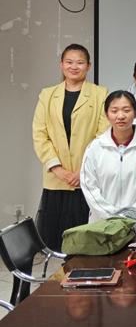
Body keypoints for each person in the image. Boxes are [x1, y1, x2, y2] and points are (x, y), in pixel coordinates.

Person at [32, 44, 110, 251]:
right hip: (56, 179)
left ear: (88, 66)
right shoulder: (47, 95)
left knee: (84, 240)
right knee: (54, 240)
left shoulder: (100, 94)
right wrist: (58, 169)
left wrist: (82, 171)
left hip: (86, 178)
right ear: (61, 64)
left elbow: (102, 136)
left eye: (80, 62)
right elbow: (40, 134)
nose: (74, 66)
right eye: (69, 62)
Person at [80, 91, 136, 221]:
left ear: (135, 113)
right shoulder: (95, 147)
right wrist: (112, 217)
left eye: (126, 110)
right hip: (103, 223)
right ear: (107, 114)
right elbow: (89, 187)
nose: (121, 116)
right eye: (114, 111)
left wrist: (129, 217)